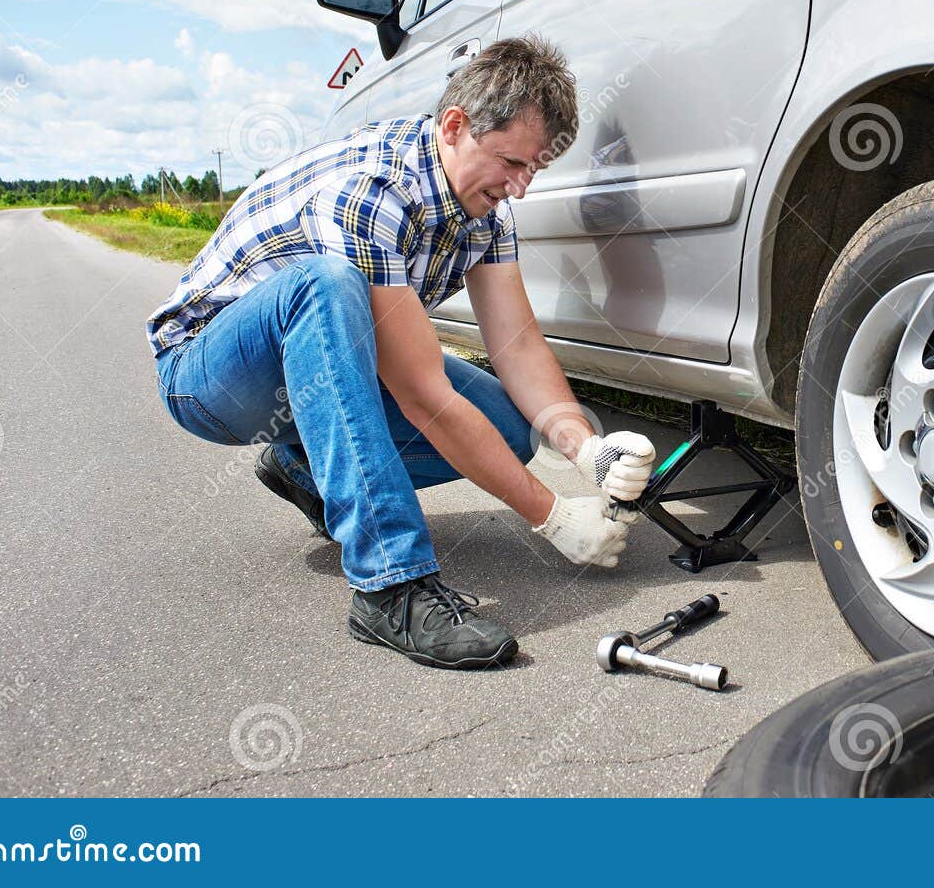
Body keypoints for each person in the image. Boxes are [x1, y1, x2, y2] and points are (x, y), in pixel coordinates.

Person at [146, 35, 655, 670]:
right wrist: (550, 515)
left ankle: (302, 465)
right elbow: (423, 395)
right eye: (512, 164)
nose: (520, 188)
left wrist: (584, 447)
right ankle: (390, 584)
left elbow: (518, 344)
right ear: (455, 125)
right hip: (211, 378)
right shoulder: (372, 192)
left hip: (310, 371)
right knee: (326, 285)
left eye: (534, 170)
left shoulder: (485, 212)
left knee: (508, 427)